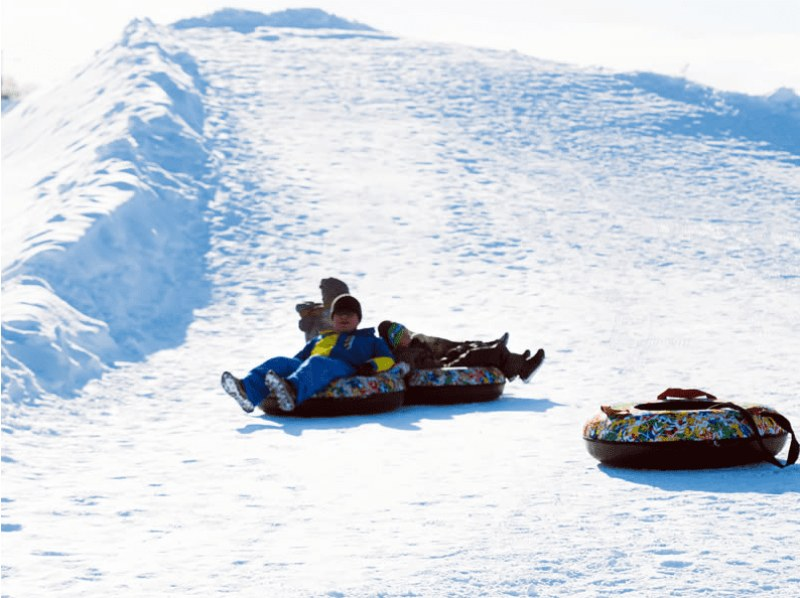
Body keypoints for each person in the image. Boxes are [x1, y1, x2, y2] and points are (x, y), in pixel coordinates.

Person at [221, 294, 395, 413]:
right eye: (340, 314)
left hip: (346, 368)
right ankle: (247, 392)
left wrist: (371, 365)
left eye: (349, 314)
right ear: (332, 319)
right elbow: (298, 360)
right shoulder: (320, 339)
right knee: (280, 361)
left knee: (318, 362)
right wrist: (286, 368)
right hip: (315, 365)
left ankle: (292, 392)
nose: (344, 318)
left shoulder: (369, 339)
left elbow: (388, 360)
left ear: (358, 319)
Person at [378, 320, 545, 382]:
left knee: (463, 348)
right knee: (485, 353)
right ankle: (523, 369)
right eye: (400, 334)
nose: (407, 333)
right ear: (395, 342)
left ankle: (513, 359)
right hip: (439, 368)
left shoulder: (411, 346)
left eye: (404, 329)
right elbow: (412, 368)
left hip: (440, 361)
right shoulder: (402, 355)